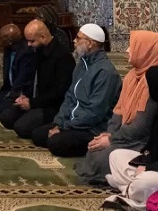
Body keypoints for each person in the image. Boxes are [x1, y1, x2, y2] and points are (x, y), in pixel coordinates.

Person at [75, 30, 158, 184]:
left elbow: (142, 126)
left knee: (102, 157)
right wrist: (109, 134)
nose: (127, 50)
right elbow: (118, 111)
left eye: (132, 47)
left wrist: (112, 139)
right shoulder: (132, 76)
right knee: (95, 151)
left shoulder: (156, 81)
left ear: (147, 51)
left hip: (144, 141)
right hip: (126, 135)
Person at [101, 66, 158, 211]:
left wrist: (150, 168)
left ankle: (133, 192)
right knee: (116, 156)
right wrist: (146, 162)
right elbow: (152, 146)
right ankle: (134, 190)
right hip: (156, 163)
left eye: (150, 87)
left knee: (146, 181)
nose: (148, 91)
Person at [31, 23, 122, 157]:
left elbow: (95, 112)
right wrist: (59, 123)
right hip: (73, 122)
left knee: (56, 143)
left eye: (78, 38)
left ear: (90, 43)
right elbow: (69, 97)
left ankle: (92, 147)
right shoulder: (82, 65)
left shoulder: (106, 73)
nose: (74, 41)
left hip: (92, 128)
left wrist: (64, 127)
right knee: (37, 134)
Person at [4, 19, 75, 136]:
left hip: (52, 106)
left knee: (21, 128)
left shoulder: (63, 57)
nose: (28, 44)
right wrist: (24, 96)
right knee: (6, 117)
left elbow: (59, 93)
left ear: (43, 37)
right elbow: (33, 80)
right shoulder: (39, 51)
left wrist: (32, 103)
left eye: (32, 41)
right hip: (36, 101)